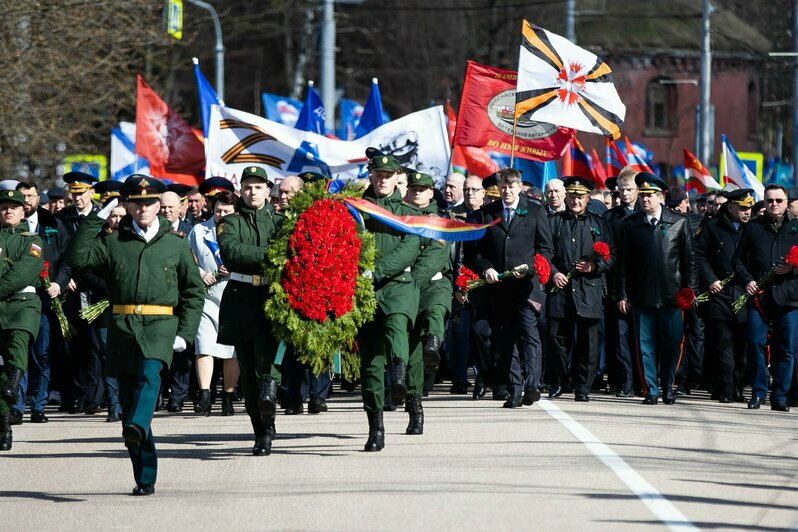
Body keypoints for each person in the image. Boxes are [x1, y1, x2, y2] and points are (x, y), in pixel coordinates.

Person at [65, 175, 204, 494]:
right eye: (136, 202)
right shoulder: (114, 242)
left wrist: (185, 332)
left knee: (149, 375)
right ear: (126, 205)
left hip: (160, 325)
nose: (143, 208)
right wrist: (95, 219)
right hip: (123, 327)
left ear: (159, 205)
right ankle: (144, 476)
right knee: (129, 402)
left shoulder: (175, 243)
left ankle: (137, 425)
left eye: (149, 202)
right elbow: (76, 259)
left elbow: (193, 291)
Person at [469, 168, 554, 408]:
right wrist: (486, 268)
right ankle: (515, 390)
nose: (507, 191)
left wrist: (530, 268)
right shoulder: (488, 214)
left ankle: (532, 385)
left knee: (529, 336)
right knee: (505, 340)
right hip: (499, 288)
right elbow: (478, 252)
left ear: (519, 186)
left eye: (511, 186)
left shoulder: (536, 211)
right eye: (503, 187)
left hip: (526, 287)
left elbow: (546, 249)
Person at [217, 166, 284, 456]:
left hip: (273, 298)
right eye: (247, 186)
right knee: (247, 368)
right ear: (240, 190)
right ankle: (261, 430)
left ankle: (270, 393)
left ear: (268, 190)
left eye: (258, 186)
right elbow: (232, 253)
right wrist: (273, 255)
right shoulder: (229, 222)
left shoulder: (282, 222)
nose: (252, 191)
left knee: (266, 360)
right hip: (242, 299)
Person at [357, 149, 420, 451]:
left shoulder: (407, 212)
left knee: (397, 328)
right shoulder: (356, 207)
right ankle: (375, 427)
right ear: (370, 174)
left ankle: (399, 376)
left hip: (397, 285)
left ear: (397, 178)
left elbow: (410, 248)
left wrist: (377, 270)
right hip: (365, 290)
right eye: (377, 174)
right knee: (370, 362)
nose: (382, 180)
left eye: (387, 175)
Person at [617, 172, 697, 405]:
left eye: (650, 195)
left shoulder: (679, 222)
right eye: (642, 195)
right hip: (642, 296)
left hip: (672, 297)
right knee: (645, 346)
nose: (645, 200)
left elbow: (689, 260)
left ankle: (668, 386)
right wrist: (622, 293)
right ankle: (651, 389)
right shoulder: (630, 224)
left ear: (661, 197)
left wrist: (689, 291)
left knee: (672, 344)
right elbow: (623, 263)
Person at [7, 182, 70, 426]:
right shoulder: (9, 229)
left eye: (30, 195)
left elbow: (66, 259)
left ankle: (39, 405)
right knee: (17, 353)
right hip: (17, 298)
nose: (26, 200)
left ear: (37, 198)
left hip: (45, 298)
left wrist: (59, 283)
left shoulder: (52, 223)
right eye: (22, 196)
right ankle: (17, 406)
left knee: (41, 354)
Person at [546, 177, 614, 402]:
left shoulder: (598, 223)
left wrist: (594, 266)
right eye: (572, 196)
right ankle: (559, 379)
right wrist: (554, 272)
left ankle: (582, 386)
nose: (576, 200)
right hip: (561, 289)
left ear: (587, 198)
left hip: (589, 289)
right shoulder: (554, 222)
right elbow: (544, 252)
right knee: (557, 338)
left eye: (581, 196)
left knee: (588, 342)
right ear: (566, 196)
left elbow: (611, 256)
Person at [733, 184, 798, 412]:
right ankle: (759, 392)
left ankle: (780, 395)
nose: (774, 205)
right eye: (770, 200)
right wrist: (747, 280)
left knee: (786, 348)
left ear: (786, 201)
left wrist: (792, 270)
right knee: (755, 343)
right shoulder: (753, 227)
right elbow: (737, 260)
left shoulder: (796, 226)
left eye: (779, 200)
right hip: (758, 296)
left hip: (789, 297)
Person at [277, 175, 333, 415]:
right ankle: (294, 396)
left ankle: (318, 396)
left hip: (318, 287)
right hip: (289, 289)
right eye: (281, 192)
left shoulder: (317, 216)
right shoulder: (277, 220)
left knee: (319, 343)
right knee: (292, 346)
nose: (283, 197)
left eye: (289, 192)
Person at [403, 171, 451, 434]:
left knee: (434, 313)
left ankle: (433, 343)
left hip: (432, 284)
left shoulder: (439, 222)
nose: (418, 192)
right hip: (404, 288)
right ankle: (415, 409)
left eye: (423, 189)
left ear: (432, 193)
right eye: (414, 189)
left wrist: (409, 284)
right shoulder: (399, 218)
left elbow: (434, 258)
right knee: (412, 356)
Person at [695, 188, 753, 403]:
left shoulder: (753, 228)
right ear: (730, 207)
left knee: (742, 345)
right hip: (720, 292)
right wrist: (710, 279)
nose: (747, 212)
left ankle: (738, 386)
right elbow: (699, 255)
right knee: (722, 343)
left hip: (745, 294)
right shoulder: (712, 226)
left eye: (749, 208)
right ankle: (726, 388)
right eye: (742, 208)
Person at [0, 190, 45, 451]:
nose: (8, 211)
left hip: (22, 306)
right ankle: (4, 426)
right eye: (4, 207)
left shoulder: (32, 240)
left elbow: (24, 272)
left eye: (13, 208)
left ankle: (14, 385)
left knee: (18, 346)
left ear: (22, 212)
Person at [189, 190, 238, 417]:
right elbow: (188, 259)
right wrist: (199, 273)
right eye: (218, 210)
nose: (221, 214)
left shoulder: (241, 230)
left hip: (233, 293)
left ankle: (228, 396)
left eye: (227, 211)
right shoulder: (199, 230)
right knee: (204, 345)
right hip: (207, 296)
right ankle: (205, 394)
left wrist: (236, 266)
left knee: (231, 351)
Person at [57, 171, 101, 414]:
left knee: (94, 346)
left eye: (82, 193)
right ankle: (72, 395)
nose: (78, 198)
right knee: (71, 346)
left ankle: (93, 398)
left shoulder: (101, 217)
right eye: (73, 194)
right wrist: (65, 278)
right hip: (69, 290)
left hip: (94, 289)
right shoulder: (62, 218)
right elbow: (61, 252)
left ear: (91, 192)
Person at [665, 187, 705, 395]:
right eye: (670, 206)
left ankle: (692, 375)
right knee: (676, 335)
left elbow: (697, 258)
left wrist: (695, 287)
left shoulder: (698, 223)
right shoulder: (666, 222)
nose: (675, 209)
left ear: (685, 203)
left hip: (696, 287)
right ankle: (678, 377)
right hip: (672, 287)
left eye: (676, 205)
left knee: (695, 333)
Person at [602, 167, 638, 397]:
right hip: (616, 284)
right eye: (621, 189)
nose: (624, 194)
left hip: (641, 285)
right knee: (619, 337)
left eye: (629, 189)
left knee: (640, 337)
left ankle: (643, 380)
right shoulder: (610, 217)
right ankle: (625, 381)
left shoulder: (646, 215)